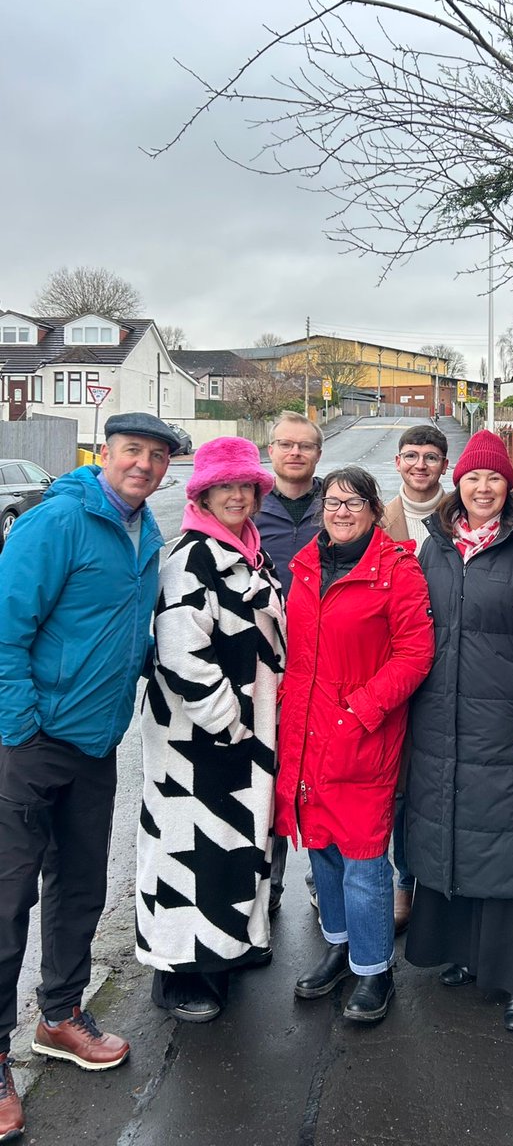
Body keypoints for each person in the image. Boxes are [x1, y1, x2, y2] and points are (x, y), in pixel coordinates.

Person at [0, 412, 181, 1141]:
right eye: (131, 451)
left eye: (156, 456)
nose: (143, 465)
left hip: (94, 743)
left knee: (79, 884)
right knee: (7, 897)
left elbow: (129, 633)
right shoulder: (57, 524)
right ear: (104, 454)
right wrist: (20, 726)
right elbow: (7, 629)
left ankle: (61, 1016)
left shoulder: (147, 534)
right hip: (33, 743)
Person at [404, 430, 513, 1034]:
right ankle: (466, 955)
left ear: (509, 486)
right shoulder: (435, 550)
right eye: (472, 477)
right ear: (457, 483)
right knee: (452, 831)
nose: (482, 487)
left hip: (505, 723)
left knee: (512, 846)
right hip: (439, 720)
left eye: (494, 478)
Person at [276, 467, 434, 1025]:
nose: (341, 513)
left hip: (363, 736)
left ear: (373, 510)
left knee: (365, 862)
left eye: (354, 504)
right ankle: (341, 948)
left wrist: (361, 710)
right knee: (321, 850)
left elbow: (416, 654)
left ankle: (375, 970)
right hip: (307, 735)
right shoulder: (306, 568)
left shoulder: (397, 571)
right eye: (333, 503)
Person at [136, 437, 286, 1023]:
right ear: (202, 493)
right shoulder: (190, 555)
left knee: (236, 845)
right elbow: (179, 652)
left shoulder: (248, 550)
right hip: (196, 738)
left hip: (242, 732)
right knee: (187, 850)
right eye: (225, 486)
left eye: (246, 486)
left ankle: (230, 945)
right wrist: (228, 721)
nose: (238, 496)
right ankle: (179, 974)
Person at [255, 411, 325, 915]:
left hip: (326, 660)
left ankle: (325, 886)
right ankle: (267, 885)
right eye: (286, 444)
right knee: (268, 775)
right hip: (263, 663)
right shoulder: (249, 506)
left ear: (318, 454)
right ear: (271, 450)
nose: (295, 453)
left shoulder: (338, 502)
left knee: (322, 777)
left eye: (304, 446)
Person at [382, 423, 450, 933]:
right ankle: (404, 878)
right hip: (396, 666)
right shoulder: (377, 522)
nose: (420, 464)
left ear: (445, 465)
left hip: (453, 666)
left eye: (431, 456)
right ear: (399, 462)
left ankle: (445, 882)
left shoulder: (462, 515)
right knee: (401, 786)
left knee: (446, 780)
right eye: (411, 455)